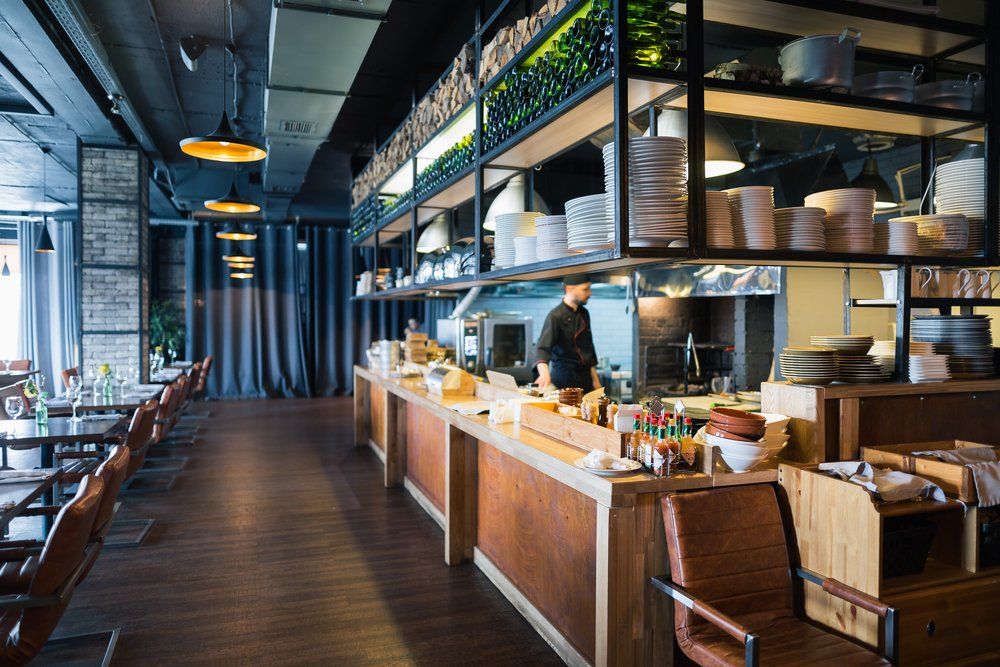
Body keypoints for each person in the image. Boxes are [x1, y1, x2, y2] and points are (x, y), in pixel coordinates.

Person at [533, 274, 600, 391]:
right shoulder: (555, 316)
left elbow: (588, 350)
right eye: (585, 289)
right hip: (564, 379)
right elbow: (542, 349)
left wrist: (595, 381)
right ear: (570, 289)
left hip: (585, 378)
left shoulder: (584, 313)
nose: (590, 293)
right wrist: (544, 374)